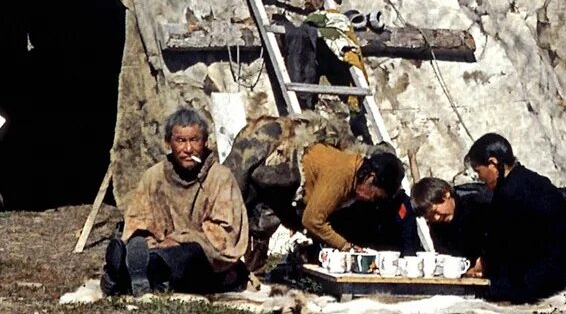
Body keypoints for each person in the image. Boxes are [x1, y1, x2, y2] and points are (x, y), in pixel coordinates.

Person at [226, 116, 416, 266]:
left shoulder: (354, 177)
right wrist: (346, 247)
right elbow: (312, 220)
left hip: (291, 192)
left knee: (265, 219)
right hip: (281, 174)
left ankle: (252, 270)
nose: (371, 200)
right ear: (371, 179)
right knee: (247, 213)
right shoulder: (342, 174)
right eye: (375, 194)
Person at [101, 108, 249, 297]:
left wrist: (181, 239)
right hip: (161, 247)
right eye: (181, 141)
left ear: (205, 142)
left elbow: (226, 234)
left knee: (185, 256)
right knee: (142, 248)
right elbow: (139, 221)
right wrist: (149, 241)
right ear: (168, 143)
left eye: (195, 140)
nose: (188, 149)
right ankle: (134, 270)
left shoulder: (220, 177)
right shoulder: (154, 177)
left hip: (206, 257)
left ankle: (126, 275)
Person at [463, 132, 566, 303]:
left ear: (493, 163)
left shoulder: (510, 193)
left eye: (478, 171)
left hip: (560, 272)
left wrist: (484, 265)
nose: (479, 178)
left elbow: (501, 242)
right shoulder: (531, 180)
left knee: (495, 288)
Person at [409, 176, 491, 268]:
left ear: (446, 195)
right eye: (430, 217)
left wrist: (484, 261)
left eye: (436, 211)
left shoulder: (478, 205)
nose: (437, 218)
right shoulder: (437, 226)